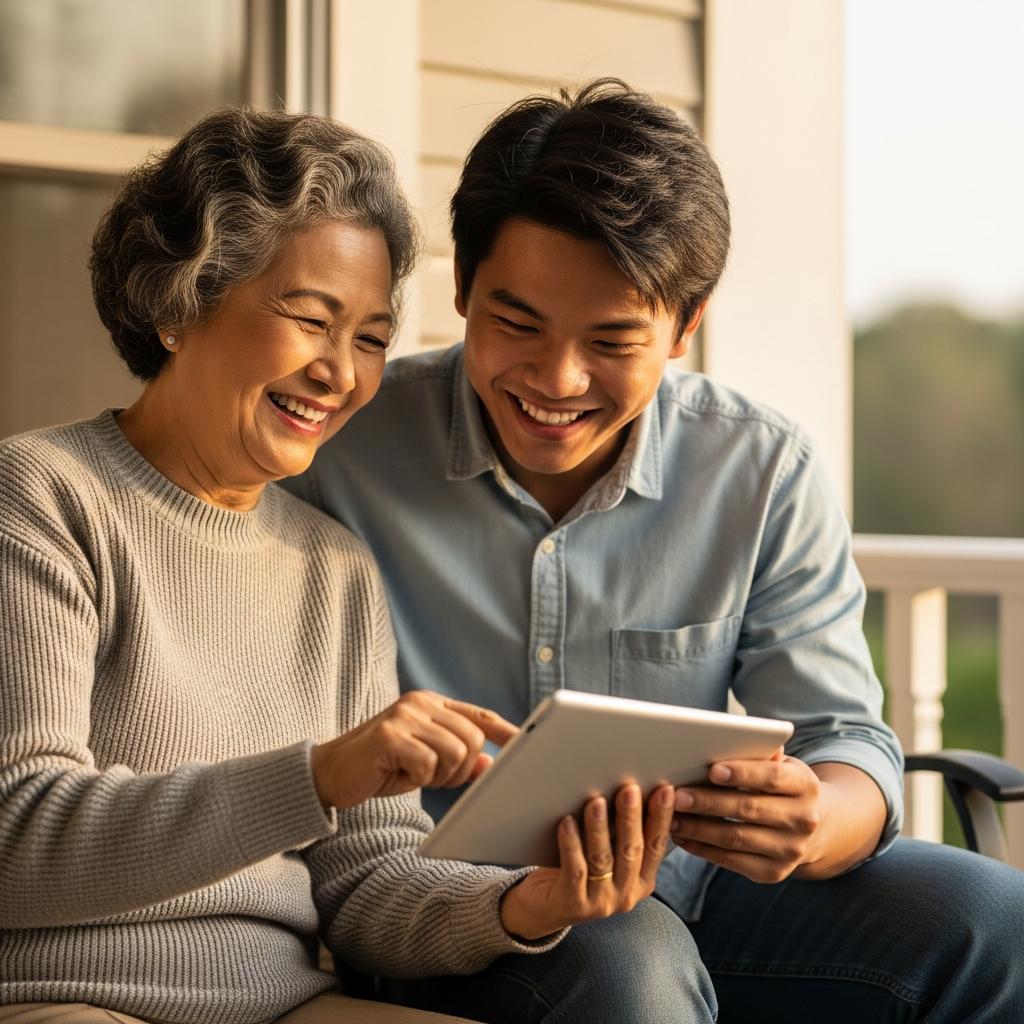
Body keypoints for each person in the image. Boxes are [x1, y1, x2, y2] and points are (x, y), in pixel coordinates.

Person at [286, 79, 1024, 1022]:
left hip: (699, 888)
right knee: (631, 967)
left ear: (687, 322)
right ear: (463, 287)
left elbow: (843, 740)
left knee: (999, 923)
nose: (556, 380)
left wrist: (817, 820)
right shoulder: (339, 448)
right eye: (516, 324)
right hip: (444, 907)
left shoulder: (758, 467)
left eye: (613, 339)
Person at [0, 106, 684, 1024]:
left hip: (286, 1005)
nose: (341, 373)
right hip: (66, 1001)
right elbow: (20, 834)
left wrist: (525, 905)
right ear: (178, 304)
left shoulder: (334, 567)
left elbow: (367, 890)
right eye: (309, 319)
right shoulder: (42, 497)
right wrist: (317, 776)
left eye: (368, 338)